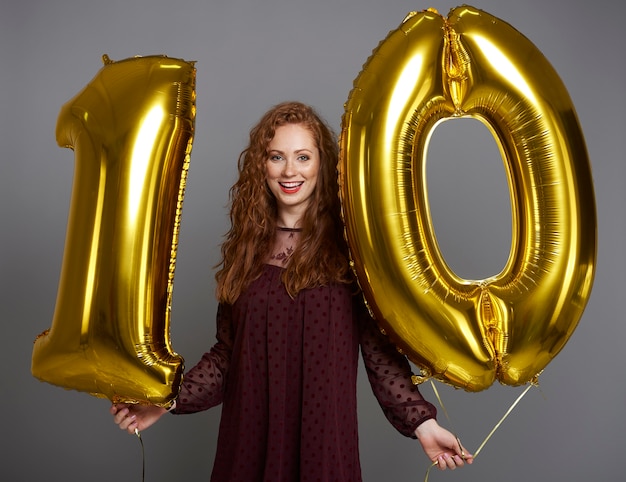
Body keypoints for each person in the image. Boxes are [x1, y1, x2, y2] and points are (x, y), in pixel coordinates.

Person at [111, 101, 473, 480]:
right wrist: (165, 401)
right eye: (276, 157)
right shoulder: (245, 251)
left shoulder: (353, 252)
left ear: (322, 162)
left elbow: (380, 356)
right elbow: (226, 357)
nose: (289, 171)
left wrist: (423, 424)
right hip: (247, 446)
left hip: (321, 447)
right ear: (261, 166)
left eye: (302, 157)